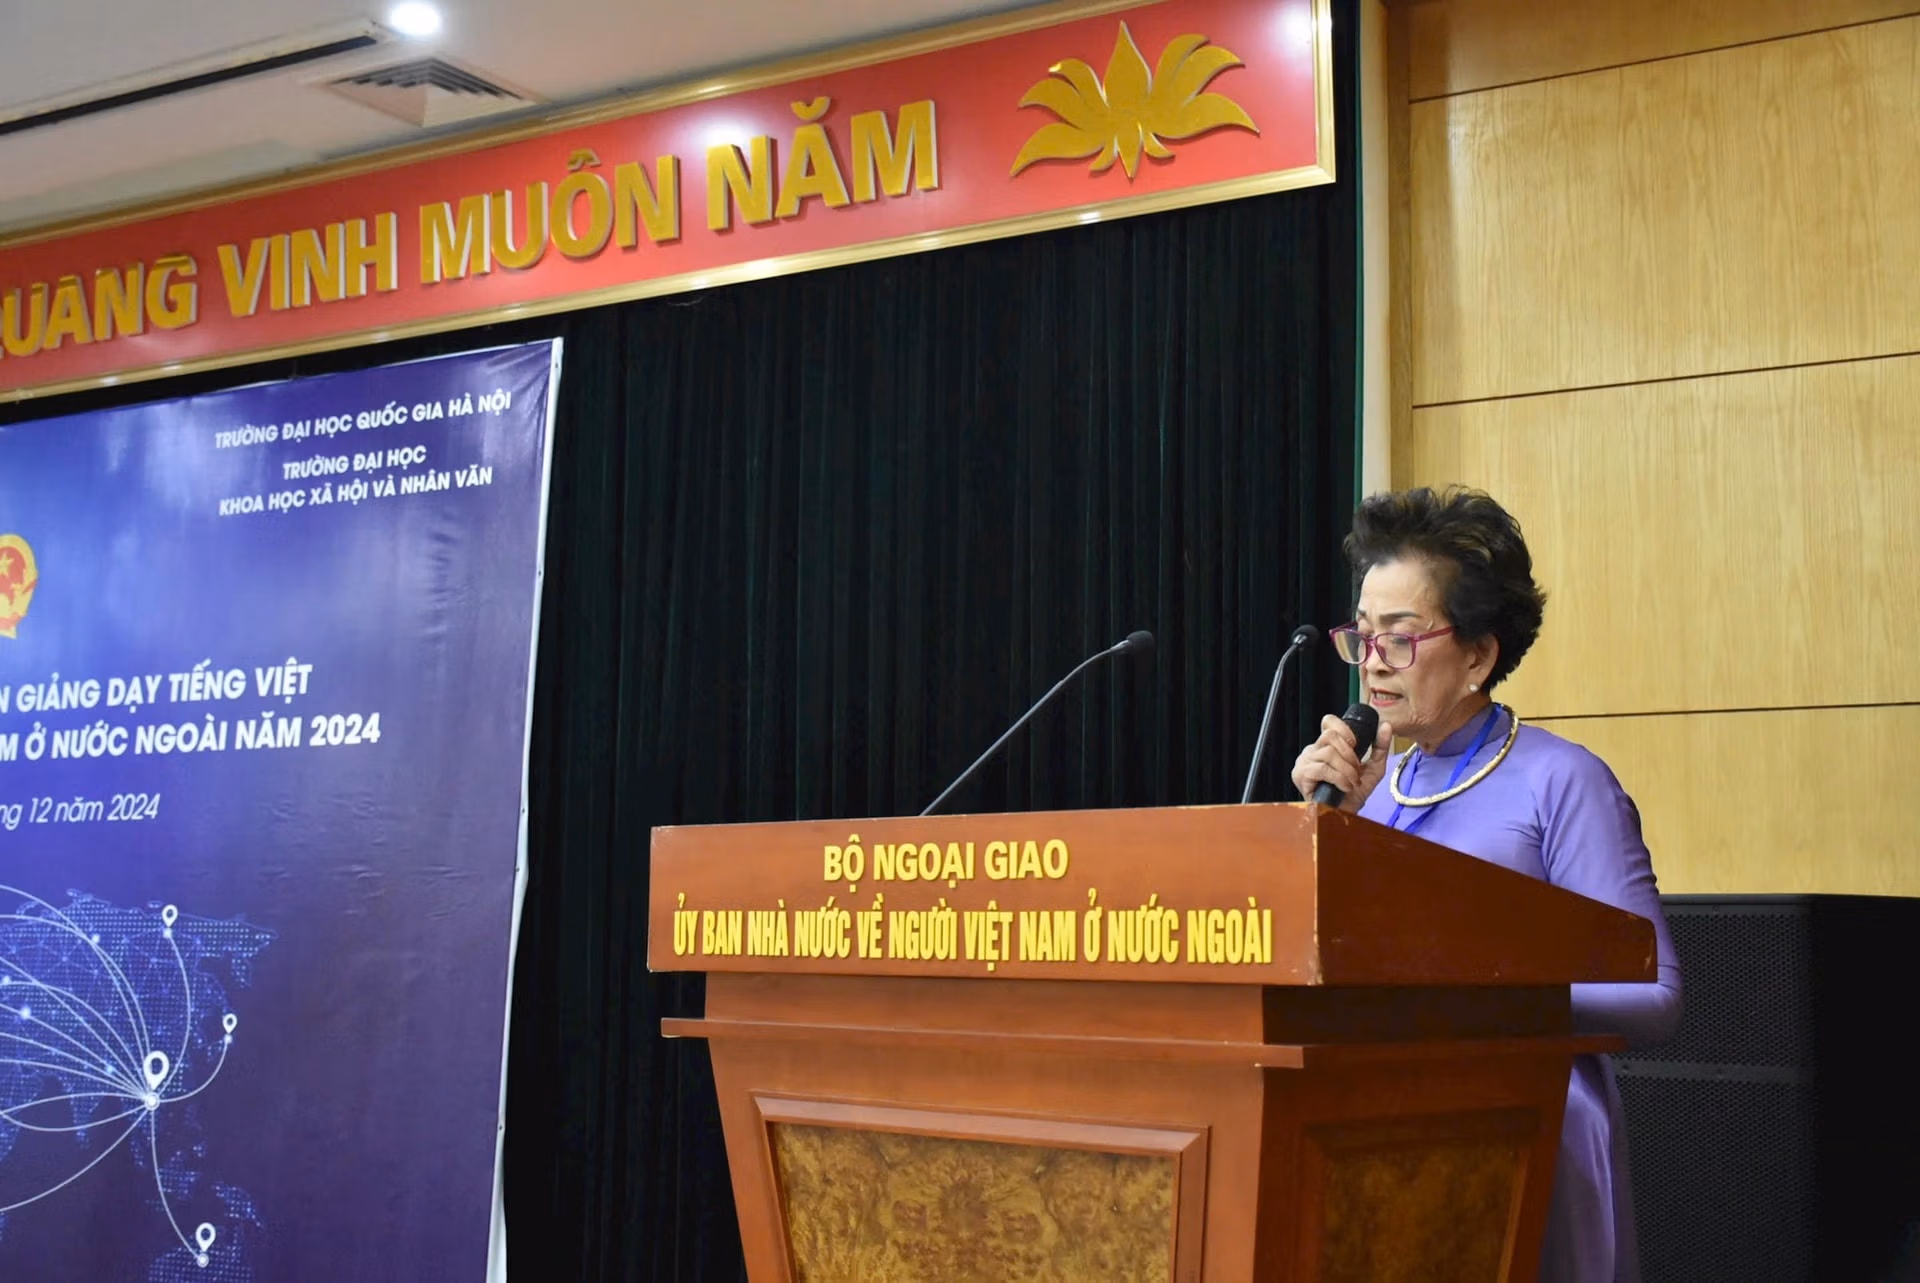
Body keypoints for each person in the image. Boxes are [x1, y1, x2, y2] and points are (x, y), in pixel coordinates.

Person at [1291, 486, 1682, 1283]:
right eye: (1362, 636)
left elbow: (1657, 994)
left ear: (1478, 655)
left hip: (1523, 1125)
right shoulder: (1368, 791)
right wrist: (1324, 828)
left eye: (1400, 638)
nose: (1372, 661)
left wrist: (1474, 997)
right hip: (1373, 1126)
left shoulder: (1562, 781)